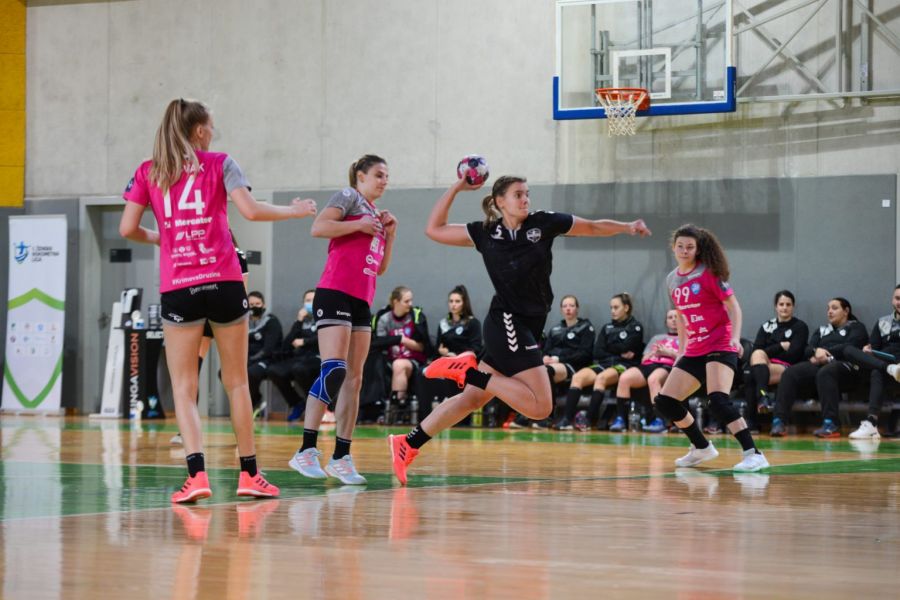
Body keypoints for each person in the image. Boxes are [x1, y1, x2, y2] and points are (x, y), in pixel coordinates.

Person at [388, 173, 651, 485]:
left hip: (529, 324)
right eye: (518, 194)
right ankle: (468, 372)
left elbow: (592, 226)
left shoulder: (543, 222)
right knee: (540, 407)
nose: (526, 199)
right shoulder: (485, 232)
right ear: (500, 201)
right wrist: (457, 187)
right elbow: (434, 229)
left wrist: (626, 227)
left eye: (527, 193)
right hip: (507, 321)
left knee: (472, 400)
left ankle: (408, 443)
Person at [119, 98, 316, 503]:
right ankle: (250, 475)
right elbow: (251, 211)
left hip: (180, 287)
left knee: (184, 386)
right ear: (199, 131)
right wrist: (294, 211)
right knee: (237, 382)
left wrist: (160, 237)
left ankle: (196, 476)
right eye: (211, 126)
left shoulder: (148, 171)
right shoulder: (222, 163)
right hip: (224, 281)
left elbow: (127, 229)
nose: (213, 132)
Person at [288, 155, 397, 485]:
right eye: (378, 174)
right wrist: (357, 225)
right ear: (360, 176)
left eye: (387, 176)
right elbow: (318, 227)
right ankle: (306, 449)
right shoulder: (349, 197)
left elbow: (380, 268)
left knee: (354, 378)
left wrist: (389, 234)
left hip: (362, 299)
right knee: (334, 369)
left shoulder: (376, 215)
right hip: (334, 291)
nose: (384, 180)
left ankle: (341, 457)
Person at [651, 224, 769, 472]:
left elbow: (734, 307)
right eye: (680, 246)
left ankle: (754, 454)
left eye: (690, 247)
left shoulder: (709, 273)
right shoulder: (672, 279)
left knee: (717, 401)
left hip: (719, 343)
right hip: (695, 348)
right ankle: (701, 447)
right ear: (673, 248)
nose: (684, 250)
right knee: (665, 401)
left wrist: (734, 338)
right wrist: (681, 351)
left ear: (697, 249)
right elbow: (681, 316)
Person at [770, 298, 868, 438]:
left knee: (826, 372)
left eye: (834, 308)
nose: (829, 312)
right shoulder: (822, 330)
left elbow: (850, 347)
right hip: (820, 366)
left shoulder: (857, 327)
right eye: (828, 308)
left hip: (847, 368)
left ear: (846, 311)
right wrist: (816, 352)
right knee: (790, 373)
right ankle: (779, 421)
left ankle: (831, 424)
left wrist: (826, 353)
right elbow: (808, 349)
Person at [554, 293, 643, 431]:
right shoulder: (606, 328)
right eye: (611, 308)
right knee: (578, 377)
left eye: (616, 307)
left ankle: (588, 420)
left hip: (623, 365)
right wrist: (619, 350)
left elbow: (630, 346)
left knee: (601, 378)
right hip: (604, 363)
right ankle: (566, 419)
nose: (612, 311)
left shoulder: (635, 327)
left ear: (626, 308)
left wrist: (611, 348)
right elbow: (598, 352)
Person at [743, 290, 809, 430]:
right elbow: (757, 350)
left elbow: (794, 354)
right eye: (781, 304)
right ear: (776, 306)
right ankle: (762, 398)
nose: (784, 308)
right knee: (754, 363)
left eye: (788, 304)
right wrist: (780, 346)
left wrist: (768, 353)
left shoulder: (800, 327)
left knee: (752, 373)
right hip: (763, 365)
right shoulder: (766, 326)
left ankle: (755, 417)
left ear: (793, 307)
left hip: (787, 368)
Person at [610, 309, 681, 434]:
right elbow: (644, 359)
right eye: (670, 317)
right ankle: (621, 419)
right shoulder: (657, 338)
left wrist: (668, 353)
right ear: (666, 322)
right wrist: (654, 352)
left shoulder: (685, 339)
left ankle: (659, 420)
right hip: (650, 364)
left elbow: (685, 359)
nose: (674, 320)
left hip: (668, 366)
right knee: (625, 378)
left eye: (676, 317)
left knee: (653, 379)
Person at [372, 286, 430, 423]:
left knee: (399, 365)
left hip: (413, 360)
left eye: (411, 300)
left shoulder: (415, 317)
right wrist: (398, 339)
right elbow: (377, 342)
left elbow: (422, 347)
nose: (410, 304)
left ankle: (397, 407)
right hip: (389, 359)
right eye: (406, 301)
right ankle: (373, 409)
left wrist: (403, 340)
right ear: (395, 302)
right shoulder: (384, 319)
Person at [266, 289, 319, 422]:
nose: (310, 303)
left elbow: (325, 338)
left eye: (313, 300)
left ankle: (316, 403)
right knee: (274, 370)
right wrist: (299, 321)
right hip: (300, 357)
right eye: (307, 301)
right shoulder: (301, 322)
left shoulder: (324, 319)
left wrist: (305, 341)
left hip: (318, 357)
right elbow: (287, 344)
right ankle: (297, 403)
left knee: (299, 369)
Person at [245, 291, 283, 417]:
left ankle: (255, 402)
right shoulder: (243, 323)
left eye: (258, 304)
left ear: (263, 305)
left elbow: (268, 349)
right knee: (224, 373)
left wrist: (250, 360)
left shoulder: (271, 322)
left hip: (267, 359)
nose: (254, 307)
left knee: (251, 372)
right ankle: (246, 402)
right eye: (251, 305)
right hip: (247, 360)